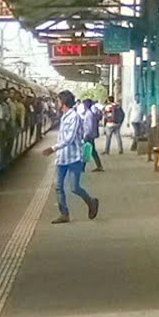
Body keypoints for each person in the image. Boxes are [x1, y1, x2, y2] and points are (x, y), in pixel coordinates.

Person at [43, 90, 99, 224]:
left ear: (63, 102)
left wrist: (52, 148)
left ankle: (91, 202)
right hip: (62, 158)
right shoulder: (64, 116)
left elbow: (69, 138)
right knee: (58, 186)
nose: (56, 103)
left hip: (74, 157)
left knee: (74, 187)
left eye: (58, 101)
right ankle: (64, 214)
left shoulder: (74, 117)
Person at [80, 98, 103, 172]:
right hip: (90, 135)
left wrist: (86, 135)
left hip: (89, 135)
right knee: (92, 151)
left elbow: (89, 126)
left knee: (87, 151)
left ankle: (82, 168)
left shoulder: (89, 114)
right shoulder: (90, 113)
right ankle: (99, 166)